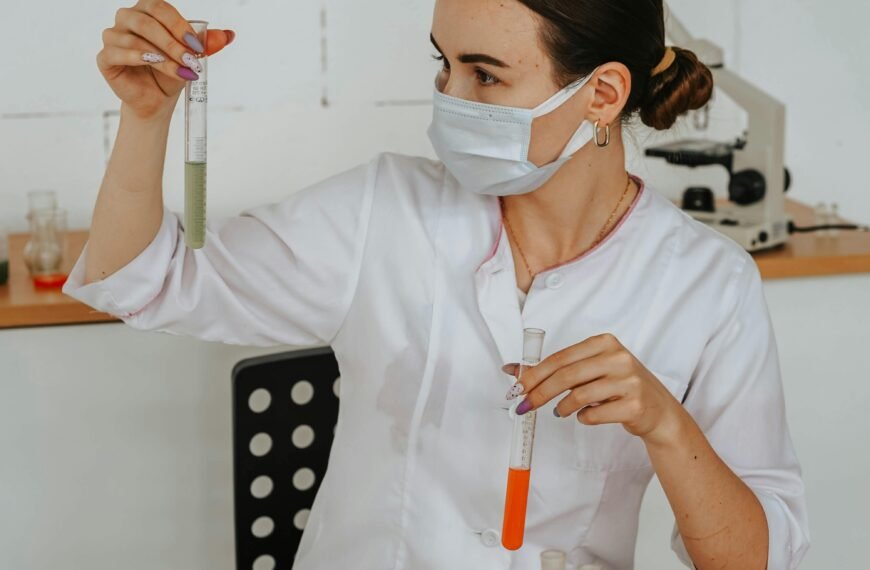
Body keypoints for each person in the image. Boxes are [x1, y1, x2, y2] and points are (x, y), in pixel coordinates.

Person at [64, 0, 809, 568]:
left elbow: (750, 556)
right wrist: (145, 119)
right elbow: (150, 281)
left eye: (485, 73)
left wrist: (666, 426)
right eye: (443, 64)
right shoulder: (381, 210)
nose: (450, 96)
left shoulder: (706, 284)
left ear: (603, 95)